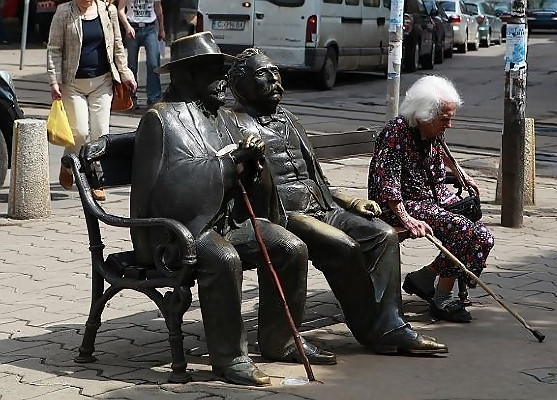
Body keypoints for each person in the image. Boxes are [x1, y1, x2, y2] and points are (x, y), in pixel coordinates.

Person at [130, 32, 335, 386]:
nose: (223, 80)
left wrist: (252, 161)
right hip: (178, 230)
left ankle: (281, 340)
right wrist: (229, 163)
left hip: (226, 221)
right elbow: (170, 186)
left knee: (290, 247)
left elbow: (242, 171)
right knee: (223, 258)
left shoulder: (222, 116)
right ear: (188, 75)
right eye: (214, 72)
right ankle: (229, 357)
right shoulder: (160, 119)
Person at [224, 48, 447, 356]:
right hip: (282, 215)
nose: (274, 80)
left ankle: (391, 324)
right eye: (263, 74)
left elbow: (319, 179)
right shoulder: (233, 124)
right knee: (344, 247)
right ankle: (372, 329)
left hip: (323, 206)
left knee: (382, 234)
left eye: (276, 72)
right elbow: (231, 179)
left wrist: (350, 201)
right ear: (239, 85)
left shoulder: (290, 120)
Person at [368, 75, 495, 323]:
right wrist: (407, 219)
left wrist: (461, 174)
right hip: (402, 203)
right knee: (462, 230)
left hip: (431, 197)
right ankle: (442, 299)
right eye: (445, 119)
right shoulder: (395, 133)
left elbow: (443, 153)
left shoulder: (430, 129)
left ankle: (426, 276)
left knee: (482, 237)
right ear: (423, 115)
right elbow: (387, 182)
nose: (449, 125)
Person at [47, 0, 137, 201]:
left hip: (102, 82)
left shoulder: (108, 11)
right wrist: (54, 80)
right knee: (80, 132)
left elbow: (117, 46)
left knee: (100, 134)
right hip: (72, 84)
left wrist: (126, 74)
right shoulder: (64, 12)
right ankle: (67, 164)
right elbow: (54, 49)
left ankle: (97, 181)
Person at [117, 0, 164, 108]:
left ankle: (154, 97)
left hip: (150, 28)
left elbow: (158, 9)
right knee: (131, 65)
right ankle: (130, 97)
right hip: (133, 26)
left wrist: (161, 29)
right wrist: (127, 26)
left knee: (153, 63)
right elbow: (120, 10)